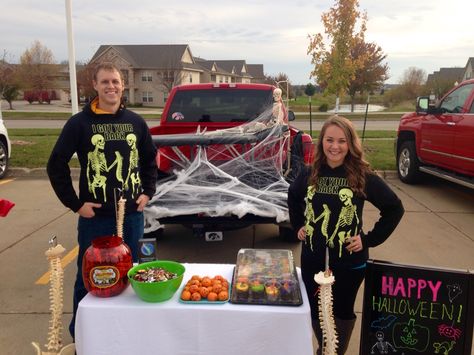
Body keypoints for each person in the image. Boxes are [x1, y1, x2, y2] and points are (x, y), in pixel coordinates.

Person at [47, 62, 157, 340]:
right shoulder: (80, 123)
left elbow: (149, 159)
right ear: (95, 86)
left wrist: (148, 192)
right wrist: (75, 203)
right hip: (96, 218)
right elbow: (56, 164)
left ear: (123, 86)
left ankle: (125, 333)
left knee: (131, 275)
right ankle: (82, 336)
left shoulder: (135, 122)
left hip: (131, 214)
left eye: (116, 82)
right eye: (105, 82)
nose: (111, 87)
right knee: (89, 277)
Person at [287, 115, 404, 354]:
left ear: (350, 143)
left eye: (342, 141)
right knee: (317, 309)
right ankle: (324, 348)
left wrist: (368, 239)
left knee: (341, 310)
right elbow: (293, 195)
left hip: (349, 261)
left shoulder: (362, 174)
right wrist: (298, 224)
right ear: (322, 143)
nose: (335, 146)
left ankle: (335, 352)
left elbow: (394, 208)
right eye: (329, 140)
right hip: (312, 258)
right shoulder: (310, 173)